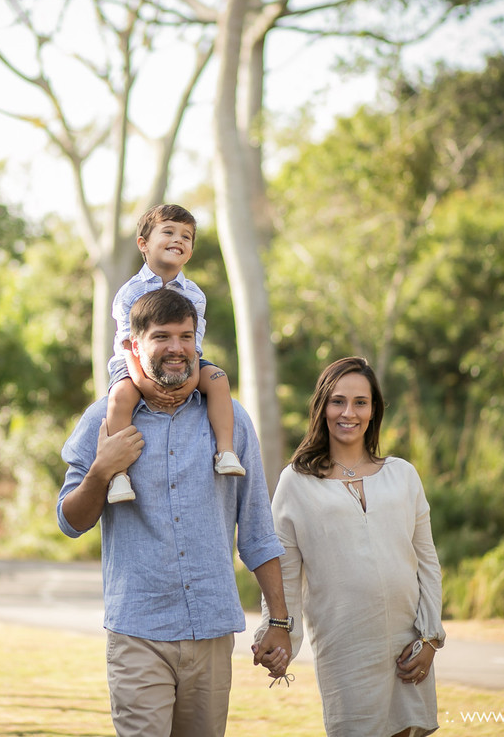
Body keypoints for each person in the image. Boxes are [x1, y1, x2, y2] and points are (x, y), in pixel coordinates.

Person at [58, 287, 292, 737]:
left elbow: (258, 532)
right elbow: (70, 522)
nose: (176, 348)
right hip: (138, 632)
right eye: (162, 336)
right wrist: (102, 470)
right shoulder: (104, 418)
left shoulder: (230, 420)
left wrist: (278, 621)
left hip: (212, 630)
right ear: (134, 345)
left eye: (185, 336)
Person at [254, 357, 445, 737]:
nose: (349, 413)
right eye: (338, 401)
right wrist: (277, 634)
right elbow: (283, 573)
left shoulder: (402, 475)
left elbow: (427, 564)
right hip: (345, 644)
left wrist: (430, 639)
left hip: (409, 643)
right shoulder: (296, 482)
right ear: (322, 407)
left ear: (373, 411)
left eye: (360, 402)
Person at [103, 204, 245, 505]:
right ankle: (119, 475)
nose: (178, 239)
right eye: (168, 232)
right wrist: (142, 382)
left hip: (184, 362)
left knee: (218, 379)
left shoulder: (195, 295)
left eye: (186, 236)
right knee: (120, 396)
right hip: (133, 363)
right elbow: (127, 343)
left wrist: (191, 380)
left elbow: (195, 344)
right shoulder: (130, 292)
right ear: (143, 244)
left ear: (190, 252)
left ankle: (225, 451)